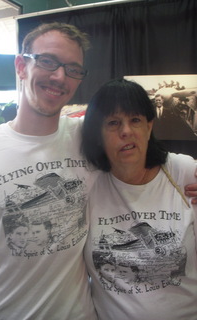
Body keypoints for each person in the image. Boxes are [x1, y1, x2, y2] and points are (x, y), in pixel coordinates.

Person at [0, 22, 98, 320]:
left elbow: (142, 160)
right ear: (21, 66)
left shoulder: (89, 137)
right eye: (48, 61)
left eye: (73, 69)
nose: (60, 76)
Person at [81, 78, 197, 320]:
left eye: (135, 120)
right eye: (113, 123)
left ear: (149, 126)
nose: (126, 131)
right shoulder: (89, 183)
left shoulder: (182, 171)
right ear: (98, 135)